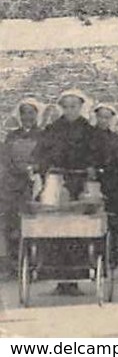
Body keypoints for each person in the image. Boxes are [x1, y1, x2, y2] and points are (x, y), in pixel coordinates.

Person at [34, 89, 98, 200]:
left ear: (80, 107)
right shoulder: (53, 128)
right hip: (57, 175)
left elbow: (94, 150)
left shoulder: (89, 130)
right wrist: (43, 165)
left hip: (80, 176)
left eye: (73, 107)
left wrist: (91, 166)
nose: (69, 111)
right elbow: (42, 149)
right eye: (65, 107)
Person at [1, 98, 42, 265]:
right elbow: (5, 159)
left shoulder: (43, 135)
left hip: (35, 184)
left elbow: (45, 157)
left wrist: (35, 169)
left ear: (36, 114)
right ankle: (14, 262)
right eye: (23, 113)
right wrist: (19, 170)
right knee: (12, 223)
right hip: (13, 185)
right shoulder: (12, 136)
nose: (27, 116)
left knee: (33, 221)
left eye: (31, 112)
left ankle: (34, 262)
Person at [91, 104, 118, 223]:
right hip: (93, 180)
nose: (103, 121)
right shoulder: (88, 135)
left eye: (106, 118)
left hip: (112, 183)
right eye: (101, 117)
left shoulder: (116, 139)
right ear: (96, 117)